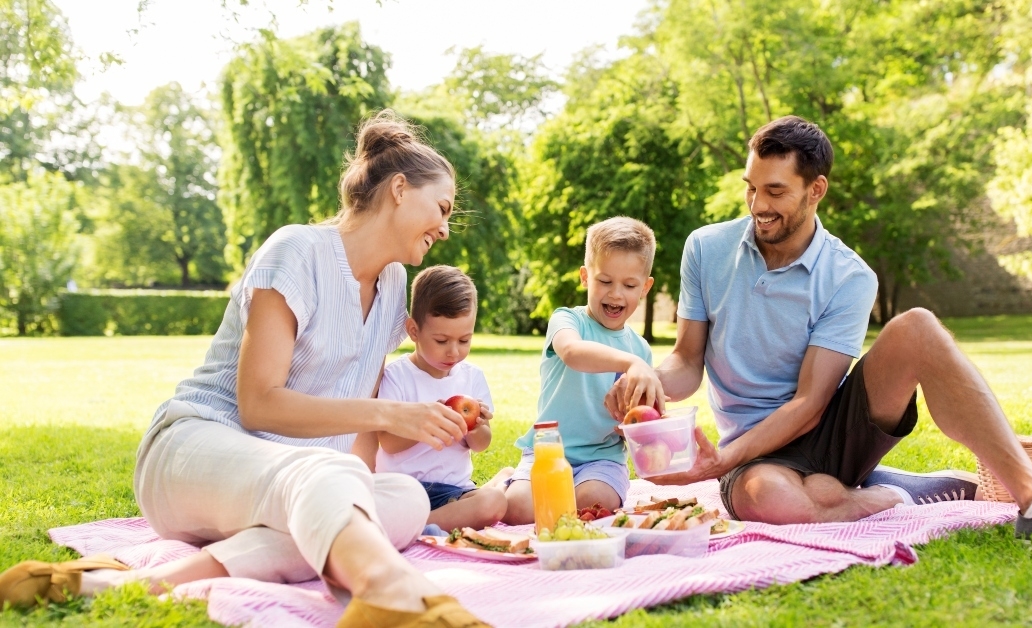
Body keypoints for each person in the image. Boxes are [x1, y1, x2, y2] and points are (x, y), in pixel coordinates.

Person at [0, 110, 490, 627]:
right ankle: (392, 594)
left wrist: (357, 481)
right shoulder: (297, 250)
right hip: (194, 449)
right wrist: (390, 416)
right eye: (441, 207)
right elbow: (259, 403)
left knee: (402, 498)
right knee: (329, 479)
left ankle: (125, 583)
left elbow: (361, 421)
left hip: (286, 482)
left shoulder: (393, 287)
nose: (444, 226)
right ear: (397, 189)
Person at [607, 116, 1032, 556]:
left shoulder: (849, 277)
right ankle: (886, 493)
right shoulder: (707, 248)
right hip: (758, 454)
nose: (758, 206)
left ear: (815, 189)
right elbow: (685, 362)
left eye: (775, 191)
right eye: (750, 188)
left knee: (917, 325)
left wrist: (717, 465)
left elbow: (810, 402)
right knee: (769, 498)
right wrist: (646, 380)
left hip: (828, 430)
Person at [502, 217, 664, 525]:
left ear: (645, 287)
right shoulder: (567, 321)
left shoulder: (639, 349)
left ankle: (568, 491)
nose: (616, 294)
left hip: (601, 459)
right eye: (605, 281)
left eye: (629, 285)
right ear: (585, 277)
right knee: (518, 511)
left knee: (591, 504)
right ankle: (508, 479)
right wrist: (630, 363)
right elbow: (574, 353)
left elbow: (637, 416)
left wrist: (635, 428)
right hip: (549, 451)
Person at [353, 265, 509, 532]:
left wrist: (477, 426)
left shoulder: (472, 377)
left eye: (464, 340)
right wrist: (424, 423)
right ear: (414, 331)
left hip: (454, 490)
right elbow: (388, 444)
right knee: (380, 503)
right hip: (404, 488)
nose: (453, 352)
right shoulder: (398, 376)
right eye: (441, 340)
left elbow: (481, 445)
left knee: (493, 502)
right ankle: (420, 523)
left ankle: (414, 527)